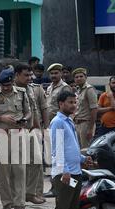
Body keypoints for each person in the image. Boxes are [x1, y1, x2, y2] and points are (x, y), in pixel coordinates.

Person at [32, 91, 93, 209]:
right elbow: (57, 150)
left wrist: (82, 159)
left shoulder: (69, 122)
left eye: (75, 102)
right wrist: (65, 170)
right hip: (65, 175)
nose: (73, 105)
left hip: (75, 173)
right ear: (61, 104)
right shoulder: (58, 122)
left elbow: (70, 146)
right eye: (70, 102)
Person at [0, 69, 32, 209]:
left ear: (13, 82)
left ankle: (20, 205)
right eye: (3, 85)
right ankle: (7, 204)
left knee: (20, 170)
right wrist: (1, 118)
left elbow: (28, 112)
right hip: (1, 134)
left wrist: (24, 118)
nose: (6, 88)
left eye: (9, 85)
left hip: (18, 133)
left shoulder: (22, 93)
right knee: (4, 172)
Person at [14, 64, 48, 204]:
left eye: (30, 75)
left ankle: (31, 193)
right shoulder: (10, 90)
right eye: (26, 75)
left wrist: (42, 129)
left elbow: (39, 109)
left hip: (33, 130)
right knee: (17, 167)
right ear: (17, 75)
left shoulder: (33, 89)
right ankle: (16, 198)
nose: (30, 78)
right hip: (15, 132)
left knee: (36, 161)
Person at [43, 63, 71, 198]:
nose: (53, 76)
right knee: (51, 157)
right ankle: (55, 186)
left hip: (60, 125)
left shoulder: (65, 87)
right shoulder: (49, 87)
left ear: (61, 73)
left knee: (59, 156)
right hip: (51, 126)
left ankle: (58, 187)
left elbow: (69, 107)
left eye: (56, 73)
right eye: (51, 73)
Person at [72, 68, 98, 148]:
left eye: (81, 76)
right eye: (76, 77)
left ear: (85, 77)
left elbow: (94, 109)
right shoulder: (78, 90)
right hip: (77, 124)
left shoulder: (89, 89)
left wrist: (90, 129)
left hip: (86, 124)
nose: (79, 78)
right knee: (78, 149)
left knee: (85, 150)